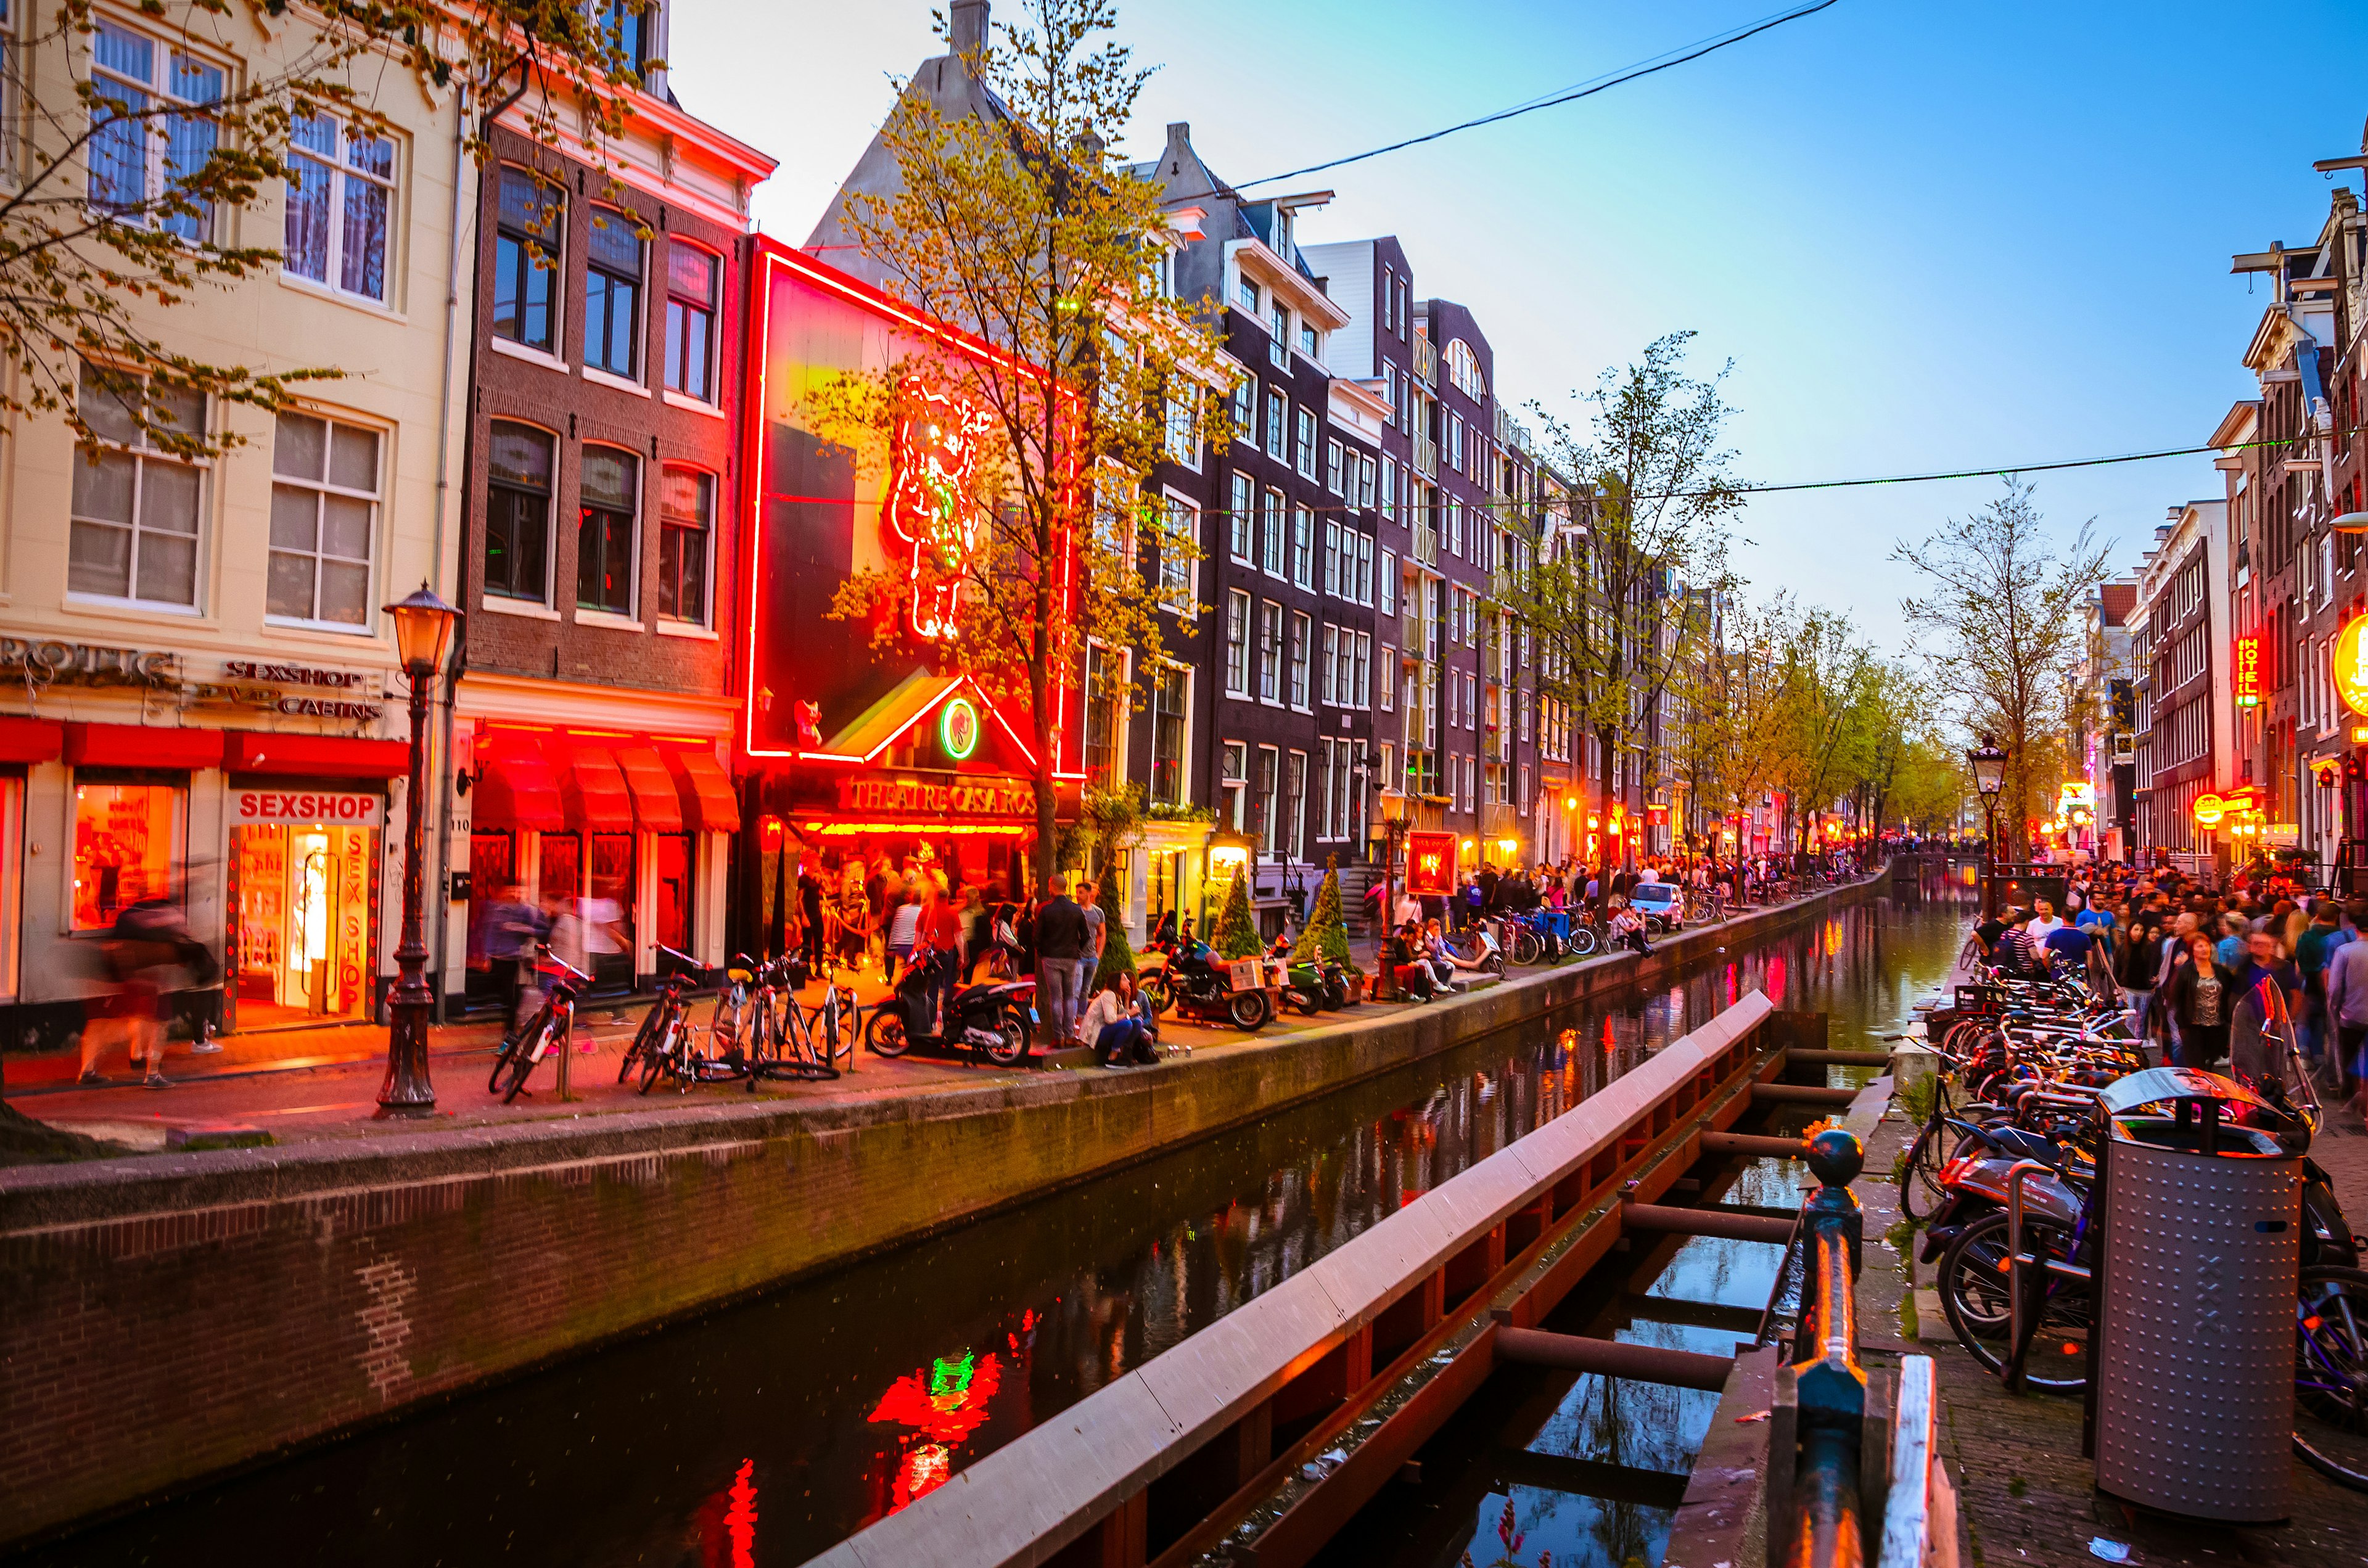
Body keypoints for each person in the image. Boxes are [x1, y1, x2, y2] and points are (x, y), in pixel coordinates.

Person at [2164, 933, 2234, 1070]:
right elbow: (2174, 997)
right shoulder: (2186, 971)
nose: (2204, 949)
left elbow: (2231, 992)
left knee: (2210, 1064)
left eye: (2206, 945)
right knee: (2196, 1065)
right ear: (2192, 950)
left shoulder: (2220, 971)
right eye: (2199, 946)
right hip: (2192, 1027)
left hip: (2216, 1026)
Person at [1032, 877, 1088, 1048]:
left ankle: (1059, 1037)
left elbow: (1037, 937)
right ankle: (1070, 1034)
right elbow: (1086, 936)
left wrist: (1043, 952)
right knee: (1069, 997)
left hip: (1051, 957)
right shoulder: (1076, 910)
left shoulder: (1046, 910)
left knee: (1056, 997)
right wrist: (1076, 949)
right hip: (1070, 957)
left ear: (1052, 887)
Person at [1080, 971, 1159, 1067]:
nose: (1128, 981)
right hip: (1095, 1032)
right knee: (1127, 1024)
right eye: (1125, 979)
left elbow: (1122, 1014)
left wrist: (1127, 998)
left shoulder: (1116, 995)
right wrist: (1130, 1013)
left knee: (1137, 1022)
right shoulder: (1109, 995)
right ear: (1117, 982)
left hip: (1106, 1028)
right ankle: (1112, 1057)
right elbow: (1110, 1019)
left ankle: (1126, 1053)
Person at [1077, 878, 1106, 1027]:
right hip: (1078, 957)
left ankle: (1081, 1019)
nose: (1077, 895)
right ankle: (1073, 1021)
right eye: (1077, 892)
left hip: (1092, 957)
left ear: (1089, 893)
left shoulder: (1098, 913)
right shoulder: (1075, 910)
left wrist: (1098, 955)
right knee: (1076, 989)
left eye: (1081, 893)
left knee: (1085, 990)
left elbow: (1102, 933)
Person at [1383, 919, 1434, 1001]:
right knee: (1410, 970)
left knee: (1420, 968)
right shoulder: (1396, 942)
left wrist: (1413, 961)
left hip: (1403, 963)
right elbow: (1394, 961)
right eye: (1411, 936)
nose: (1412, 938)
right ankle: (1411, 993)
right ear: (1406, 935)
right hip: (1395, 967)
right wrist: (1407, 965)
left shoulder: (1405, 943)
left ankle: (1423, 992)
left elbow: (1407, 958)